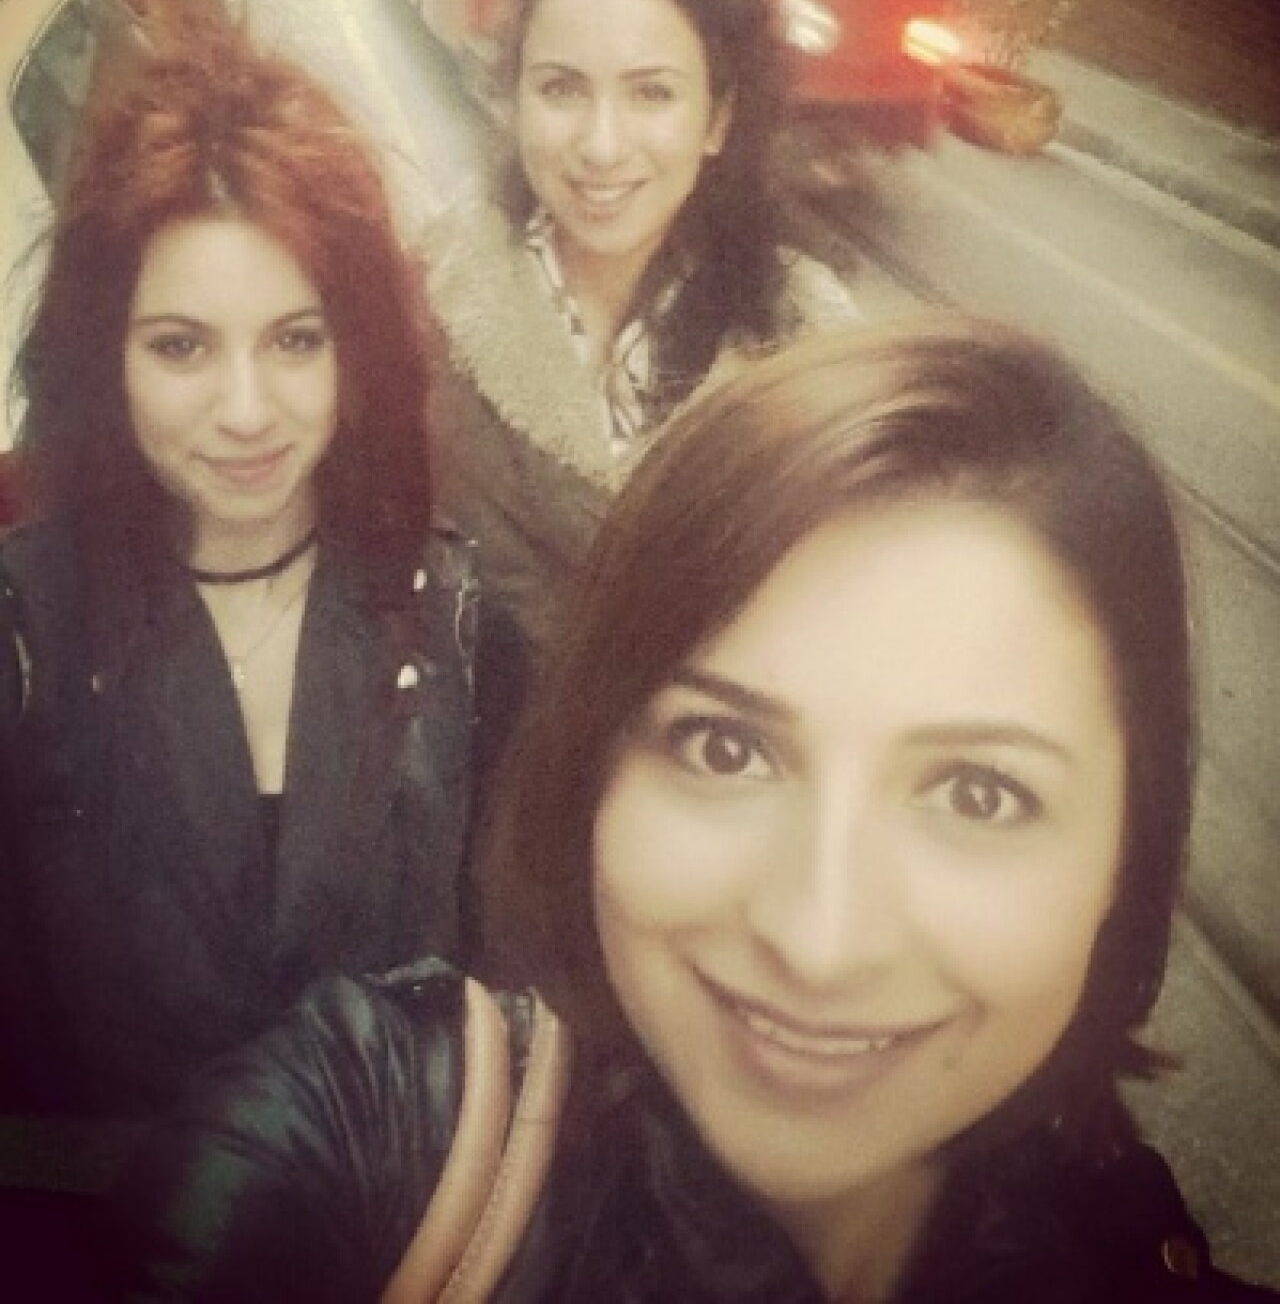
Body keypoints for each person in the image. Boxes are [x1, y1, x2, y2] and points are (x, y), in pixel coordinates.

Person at [107, 319, 1277, 1302]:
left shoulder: (1137, 1253)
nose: (817, 940)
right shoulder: (382, 1134)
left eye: (978, 791)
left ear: (1124, 854)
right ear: (594, 766)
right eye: (727, 747)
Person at [0, 34, 479, 1129]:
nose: (248, 411)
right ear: (106, 356)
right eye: (182, 348)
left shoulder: (451, 614)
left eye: (295, 340)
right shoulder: (27, 627)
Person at [419, 0, 858, 665]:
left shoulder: (814, 357)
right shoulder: (427, 304)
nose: (601, 145)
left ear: (717, 120)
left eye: (652, 93)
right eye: (562, 89)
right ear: (514, 101)